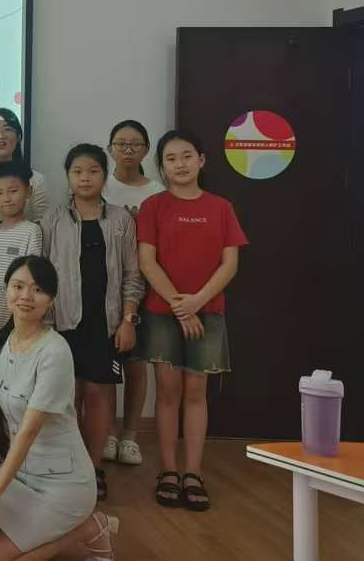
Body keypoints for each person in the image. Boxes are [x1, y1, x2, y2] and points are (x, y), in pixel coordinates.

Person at [0, 256, 115, 560]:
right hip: (21, 474)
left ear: (51, 300)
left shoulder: (55, 351)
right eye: (18, 286)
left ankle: (87, 529)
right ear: (6, 290)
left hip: (63, 485)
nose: (26, 296)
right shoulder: (4, 341)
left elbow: (29, 431)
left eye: (38, 289)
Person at [137, 129, 247, 512]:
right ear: (161, 166)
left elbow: (230, 264)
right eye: (170, 158)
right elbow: (146, 262)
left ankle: (193, 472)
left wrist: (197, 302)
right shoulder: (153, 206)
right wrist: (179, 306)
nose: (180, 164)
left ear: (201, 160)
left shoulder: (221, 207)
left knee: (197, 392)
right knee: (168, 393)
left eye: (186, 156)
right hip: (161, 314)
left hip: (208, 313)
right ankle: (168, 470)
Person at [40, 145, 144, 501]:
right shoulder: (52, 220)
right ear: (68, 177)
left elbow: (132, 275)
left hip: (106, 324)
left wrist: (128, 320)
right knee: (66, 397)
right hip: (62, 324)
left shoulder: (120, 220)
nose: (85, 178)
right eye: (77, 171)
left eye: (93, 171)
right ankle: (68, 466)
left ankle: (94, 466)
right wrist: (44, 324)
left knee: (99, 395)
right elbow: (41, 274)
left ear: (104, 175)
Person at [102, 119, 166, 468]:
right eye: (121, 143)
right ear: (110, 148)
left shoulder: (156, 191)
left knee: (137, 365)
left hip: (144, 287)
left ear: (146, 150)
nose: (128, 149)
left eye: (135, 144)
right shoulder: (101, 184)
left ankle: (130, 436)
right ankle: (108, 433)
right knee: (107, 366)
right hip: (104, 288)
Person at [0, 161, 43, 332]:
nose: (6, 198)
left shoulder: (31, 231)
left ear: (28, 192)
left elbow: (32, 280)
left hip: (17, 322)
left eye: (13, 191)